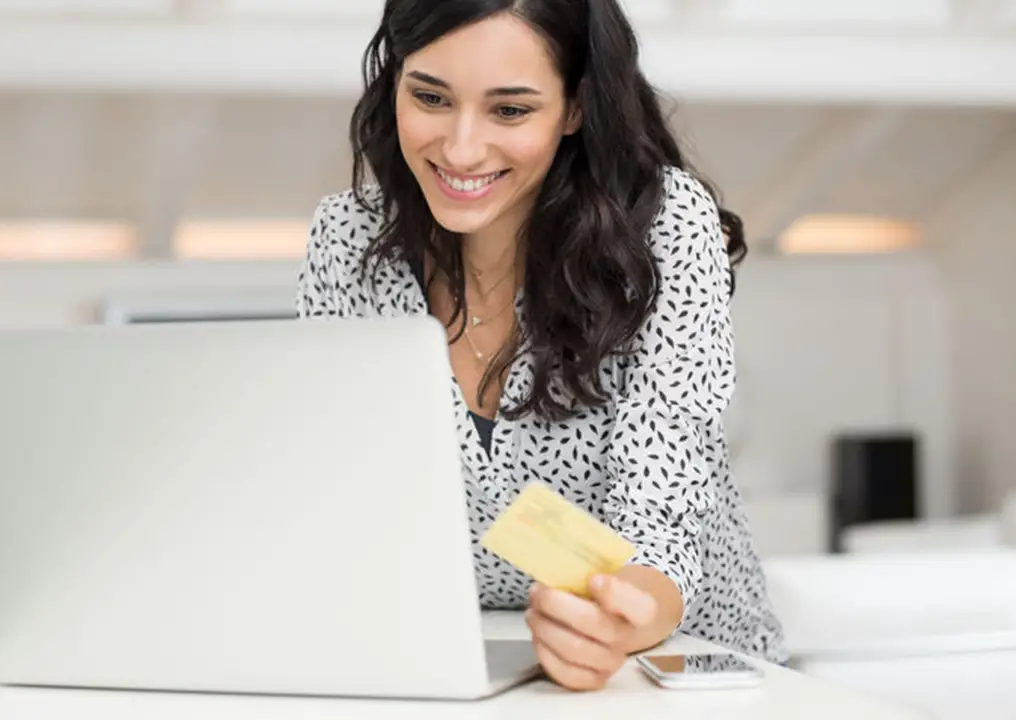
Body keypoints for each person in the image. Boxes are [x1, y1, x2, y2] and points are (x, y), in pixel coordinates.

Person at [294, 0, 787, 691]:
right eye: (430, 96)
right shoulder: (348, 242)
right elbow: (343, 494)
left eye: (510, 110)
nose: (461, 149)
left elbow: (662, 506)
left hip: (675, 665)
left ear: (576, 107)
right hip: (458, 666)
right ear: (394, 82)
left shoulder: (665, 228)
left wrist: (618, 620)